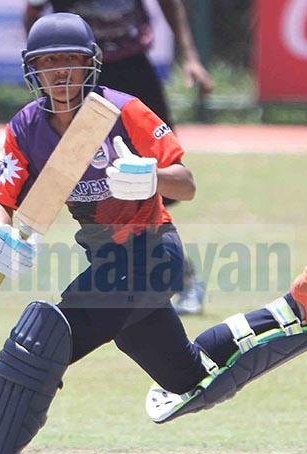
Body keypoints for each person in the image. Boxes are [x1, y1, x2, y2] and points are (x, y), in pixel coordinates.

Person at [0, 13, 307, 454]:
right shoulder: (26, 128)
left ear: (91, 65)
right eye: (49, 63)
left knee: (41, 342)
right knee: (188, 380)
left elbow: (187, 182)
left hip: (152, 255)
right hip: (108, 264)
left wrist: (151, 177)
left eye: (72, 61)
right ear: (33, 70)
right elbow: (1, 198)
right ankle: (299, 306)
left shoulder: (122, 111)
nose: (61, 73)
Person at [24, 0, 213, 315]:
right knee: (88, 184)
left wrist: (190, 56)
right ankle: (124, 272)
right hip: (77, 74)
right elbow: (32, 14)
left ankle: (177, 274)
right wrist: (43, 76)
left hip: (130, 67)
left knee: (149, 178)